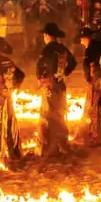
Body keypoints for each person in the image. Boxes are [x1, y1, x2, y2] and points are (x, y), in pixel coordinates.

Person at [35, 22, 77, 156]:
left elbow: (41, 67)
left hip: (50, 86)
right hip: (60, 85)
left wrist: (41, 80)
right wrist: (65, 73)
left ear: (47, 35)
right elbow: (73, 62)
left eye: (44, 35)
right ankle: (62, 143)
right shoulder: (62, 48)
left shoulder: (47, 50)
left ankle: (49, 146)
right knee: (60, 113)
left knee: (48, 114)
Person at [0, 37, 25, 162]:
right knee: (9, 122)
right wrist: (14, 87)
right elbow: (21, 75)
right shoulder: (9, 62)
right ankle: (14, 153)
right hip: (8, 96)